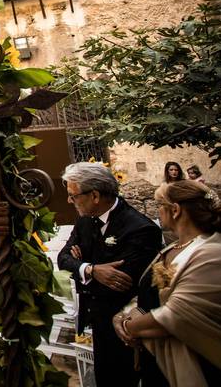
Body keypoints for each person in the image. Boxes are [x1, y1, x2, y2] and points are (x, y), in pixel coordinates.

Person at [113, 181, 221, 386]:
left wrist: (129, 326)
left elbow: (175, 316)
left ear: (175, 210)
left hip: (200, 365)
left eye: (159, 206)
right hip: (157, 362)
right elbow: (156, 291)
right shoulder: (171, 250)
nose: (157, 212)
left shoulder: (213, 255)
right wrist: (122, 315)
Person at [57, 162, 162, 387]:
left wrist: (82, 263)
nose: (69, 201)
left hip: (127, 326)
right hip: (98, 320)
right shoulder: (85, 220)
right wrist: (92, 269)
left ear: (94, 195)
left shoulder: (140, 228)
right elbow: (64, 259)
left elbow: (121, 282)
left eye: (73, 196)